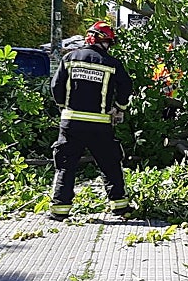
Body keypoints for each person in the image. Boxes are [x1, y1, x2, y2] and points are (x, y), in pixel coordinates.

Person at [48, 21, 134, 221]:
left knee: (66, 165)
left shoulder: (69, 58)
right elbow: (126, 86)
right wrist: (119, 108)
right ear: (103, 41)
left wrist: (62, 106)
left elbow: (56, 86)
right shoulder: (112, 63)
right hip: (100, 125)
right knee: (110, 165)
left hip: (71, 123)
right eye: (108, 42)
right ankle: (120, 207)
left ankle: (60, 209)